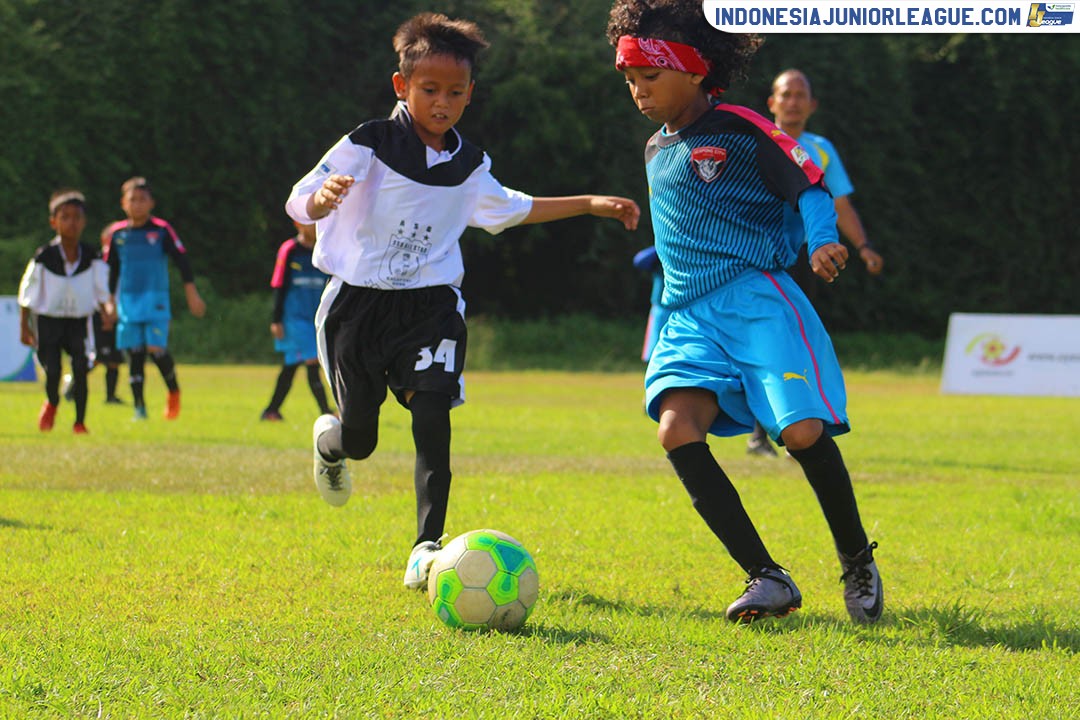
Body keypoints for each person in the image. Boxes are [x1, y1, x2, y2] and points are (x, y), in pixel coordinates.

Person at [286, 12, 640, 591]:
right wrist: (322, 198)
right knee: (362, 440)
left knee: (432, 415)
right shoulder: (368, 143)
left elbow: (514, 207)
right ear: (402, 87)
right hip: (356, 307)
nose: (442, 102)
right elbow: (299, 200)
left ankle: (426, 546)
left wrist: (591, 202)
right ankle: (333, 442)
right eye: (430, 90)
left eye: (455, 92)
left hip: (431, 308)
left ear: (470, 94)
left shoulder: (470, 165)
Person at [607, 0, 882, 624]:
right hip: (687, 317)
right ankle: (768, 577)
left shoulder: (743, 126)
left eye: (650, 78)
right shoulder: (655, 149)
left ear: (696, 70)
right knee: (676, 429)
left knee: (800, 433)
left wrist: (822, 241)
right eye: (630, 81)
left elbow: (810, 185)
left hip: (756, 302)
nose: (638, 93)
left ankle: (856, 558)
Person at [745, 67, 886, 458]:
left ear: (812, 105)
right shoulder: (750, 140)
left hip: (802, 260)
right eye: (785, 94)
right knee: (756, 343)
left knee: (793, 344)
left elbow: (838, 203)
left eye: (800, 95)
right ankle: (753, 428)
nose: (792, 101)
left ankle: (785, 430)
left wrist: (863, 246)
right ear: (771, 102)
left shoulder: (820, 150)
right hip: (751, 258)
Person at [102, 177, 207, 421]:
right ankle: (139, 407)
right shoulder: (117, 235)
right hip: (128, 301)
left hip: (155, 298)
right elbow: (111, 270)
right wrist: (109, 301)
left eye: (142, 199)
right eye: (132, 200)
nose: (137, 204)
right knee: (135, 352)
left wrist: (192, 293)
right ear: (123, 204)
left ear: (151, 203)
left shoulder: (161, 230)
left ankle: (173, 392)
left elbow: (182, 261)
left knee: (156, 349)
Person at [17, 189, 113, 434]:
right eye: (65, 217)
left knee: (81, 367)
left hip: (79, 321)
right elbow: (28, 292)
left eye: (77, 217)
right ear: (54, 222)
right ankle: (52, 402)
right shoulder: (44, 256)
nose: (72, 223)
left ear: (84, 221)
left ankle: (80, 422)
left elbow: (102, 288)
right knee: (54, 371)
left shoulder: (91, 256)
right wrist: (24, 325)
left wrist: (107, 311)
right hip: (49, 321)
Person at [261, 221, 334, 421]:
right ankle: (326, 411)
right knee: (312, 360)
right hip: (294, 319)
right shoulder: (289, 250)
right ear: (298, 224)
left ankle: (271, 411)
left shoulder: (324, 248)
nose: (314, 227)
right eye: (310, 223)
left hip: (315, 318)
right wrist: (276, 320)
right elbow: (279, 285)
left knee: (291, 366)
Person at [632, 245, 671, 362]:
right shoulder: (659, 256)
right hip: (660, 308)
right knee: (654, 350)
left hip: (679, 309)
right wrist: (662, 245)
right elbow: (639, 260)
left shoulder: (681, 255)